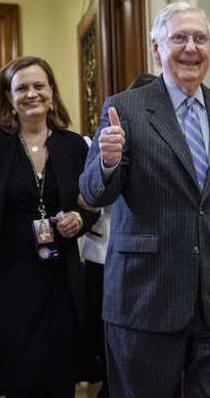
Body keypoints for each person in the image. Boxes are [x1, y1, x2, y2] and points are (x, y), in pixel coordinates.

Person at [79, 2, 210, 397]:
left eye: (200, 38)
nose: (190, 47)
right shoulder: (124, 108)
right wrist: (108, 161)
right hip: (145, 297)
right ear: (156, 48)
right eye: (179, 37)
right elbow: (93, 192)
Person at [0, 56, 97, 397]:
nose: (31, 94)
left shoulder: (74, 147)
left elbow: (91, 205)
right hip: (6, 286)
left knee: (60, 380)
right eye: (22, 88)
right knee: (19, 381)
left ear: (52, 93)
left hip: (61, 285)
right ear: (10, 98)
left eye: (39, 86)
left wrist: (80, 220)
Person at [79, 73, 156, 398]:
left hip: (150, 262)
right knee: (111, 351)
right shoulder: (102, 138)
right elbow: (87, 196)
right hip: (103, 258)